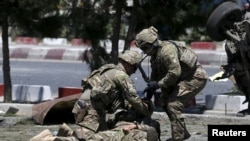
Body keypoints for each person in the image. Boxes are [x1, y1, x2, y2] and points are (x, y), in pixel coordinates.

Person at [135, 26, 208, 141]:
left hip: (194, 77)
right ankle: (182, 132)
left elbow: (175, 72)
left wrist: (158, 85)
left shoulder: (167, 51)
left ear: (152, 43)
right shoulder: (154, 56)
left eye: (145, 47)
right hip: (179, 79)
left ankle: (178, 138)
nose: (144, 51)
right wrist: (151, 89)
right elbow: (155, 75)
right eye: (142, 49)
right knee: (164, 102)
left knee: (173, 105)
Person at [71, 50, 154, 138]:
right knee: (87, 138)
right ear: (127, 64)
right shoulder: (121, 76)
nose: (134, 72)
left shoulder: (108, 69)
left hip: (82, 107)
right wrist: (146, 111)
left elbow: (118, 99)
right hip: (92, 111)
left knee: (102, 136)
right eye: (134, 68)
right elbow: (133, 98)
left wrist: (129, 106)